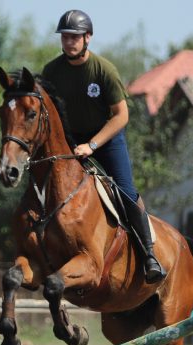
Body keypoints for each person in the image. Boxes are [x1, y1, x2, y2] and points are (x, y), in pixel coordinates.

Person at [41, 9, 166, 283]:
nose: (69, 42)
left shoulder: (103, 70)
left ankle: (149, 255)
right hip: (70, 140)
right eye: (65, 37)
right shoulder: (51, 71)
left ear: (88, 38)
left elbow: (122, 115)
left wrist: (92, 144)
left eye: (74, 37)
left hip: (105, 139)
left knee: (125, 190)